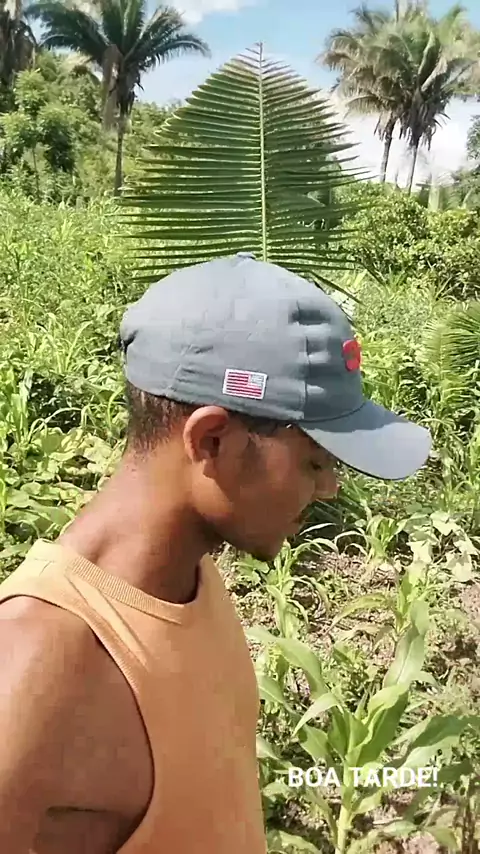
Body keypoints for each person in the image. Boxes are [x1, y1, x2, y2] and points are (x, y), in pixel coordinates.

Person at [0, 253, 431, 854]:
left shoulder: (188, 578)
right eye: (315, 462)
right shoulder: (36, 666)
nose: (331, 487)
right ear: (212, 440)